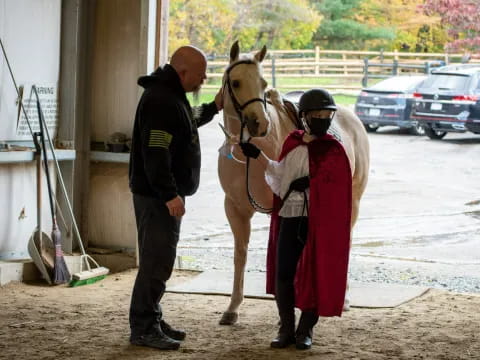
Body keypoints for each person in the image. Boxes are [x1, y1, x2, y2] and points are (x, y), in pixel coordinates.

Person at [239, 89, 352, 350]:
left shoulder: (334, 150)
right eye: (317, 115)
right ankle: (286, 328)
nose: (322, 119)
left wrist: (312, 183)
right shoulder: (293, 143)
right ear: (305, 117)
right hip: (290, 217)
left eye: (327, 115)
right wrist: (257, 156)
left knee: (316, 273)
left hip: (318, 223)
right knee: (284, 274)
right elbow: (280, 179)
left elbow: (337, 192)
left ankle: (306, 330)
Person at [128, 45, 223, 350]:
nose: (204, 79)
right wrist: (169, 195)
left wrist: (214, 107)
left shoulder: (170, 96)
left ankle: (151, 316)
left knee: (160, 259)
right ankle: (143, 327)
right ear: (183, 73)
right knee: (157, 262)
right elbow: (156, 153)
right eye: (201, 74)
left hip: (159, 195)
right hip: (157, 197)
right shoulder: (161, 100)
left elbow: (186, 121)